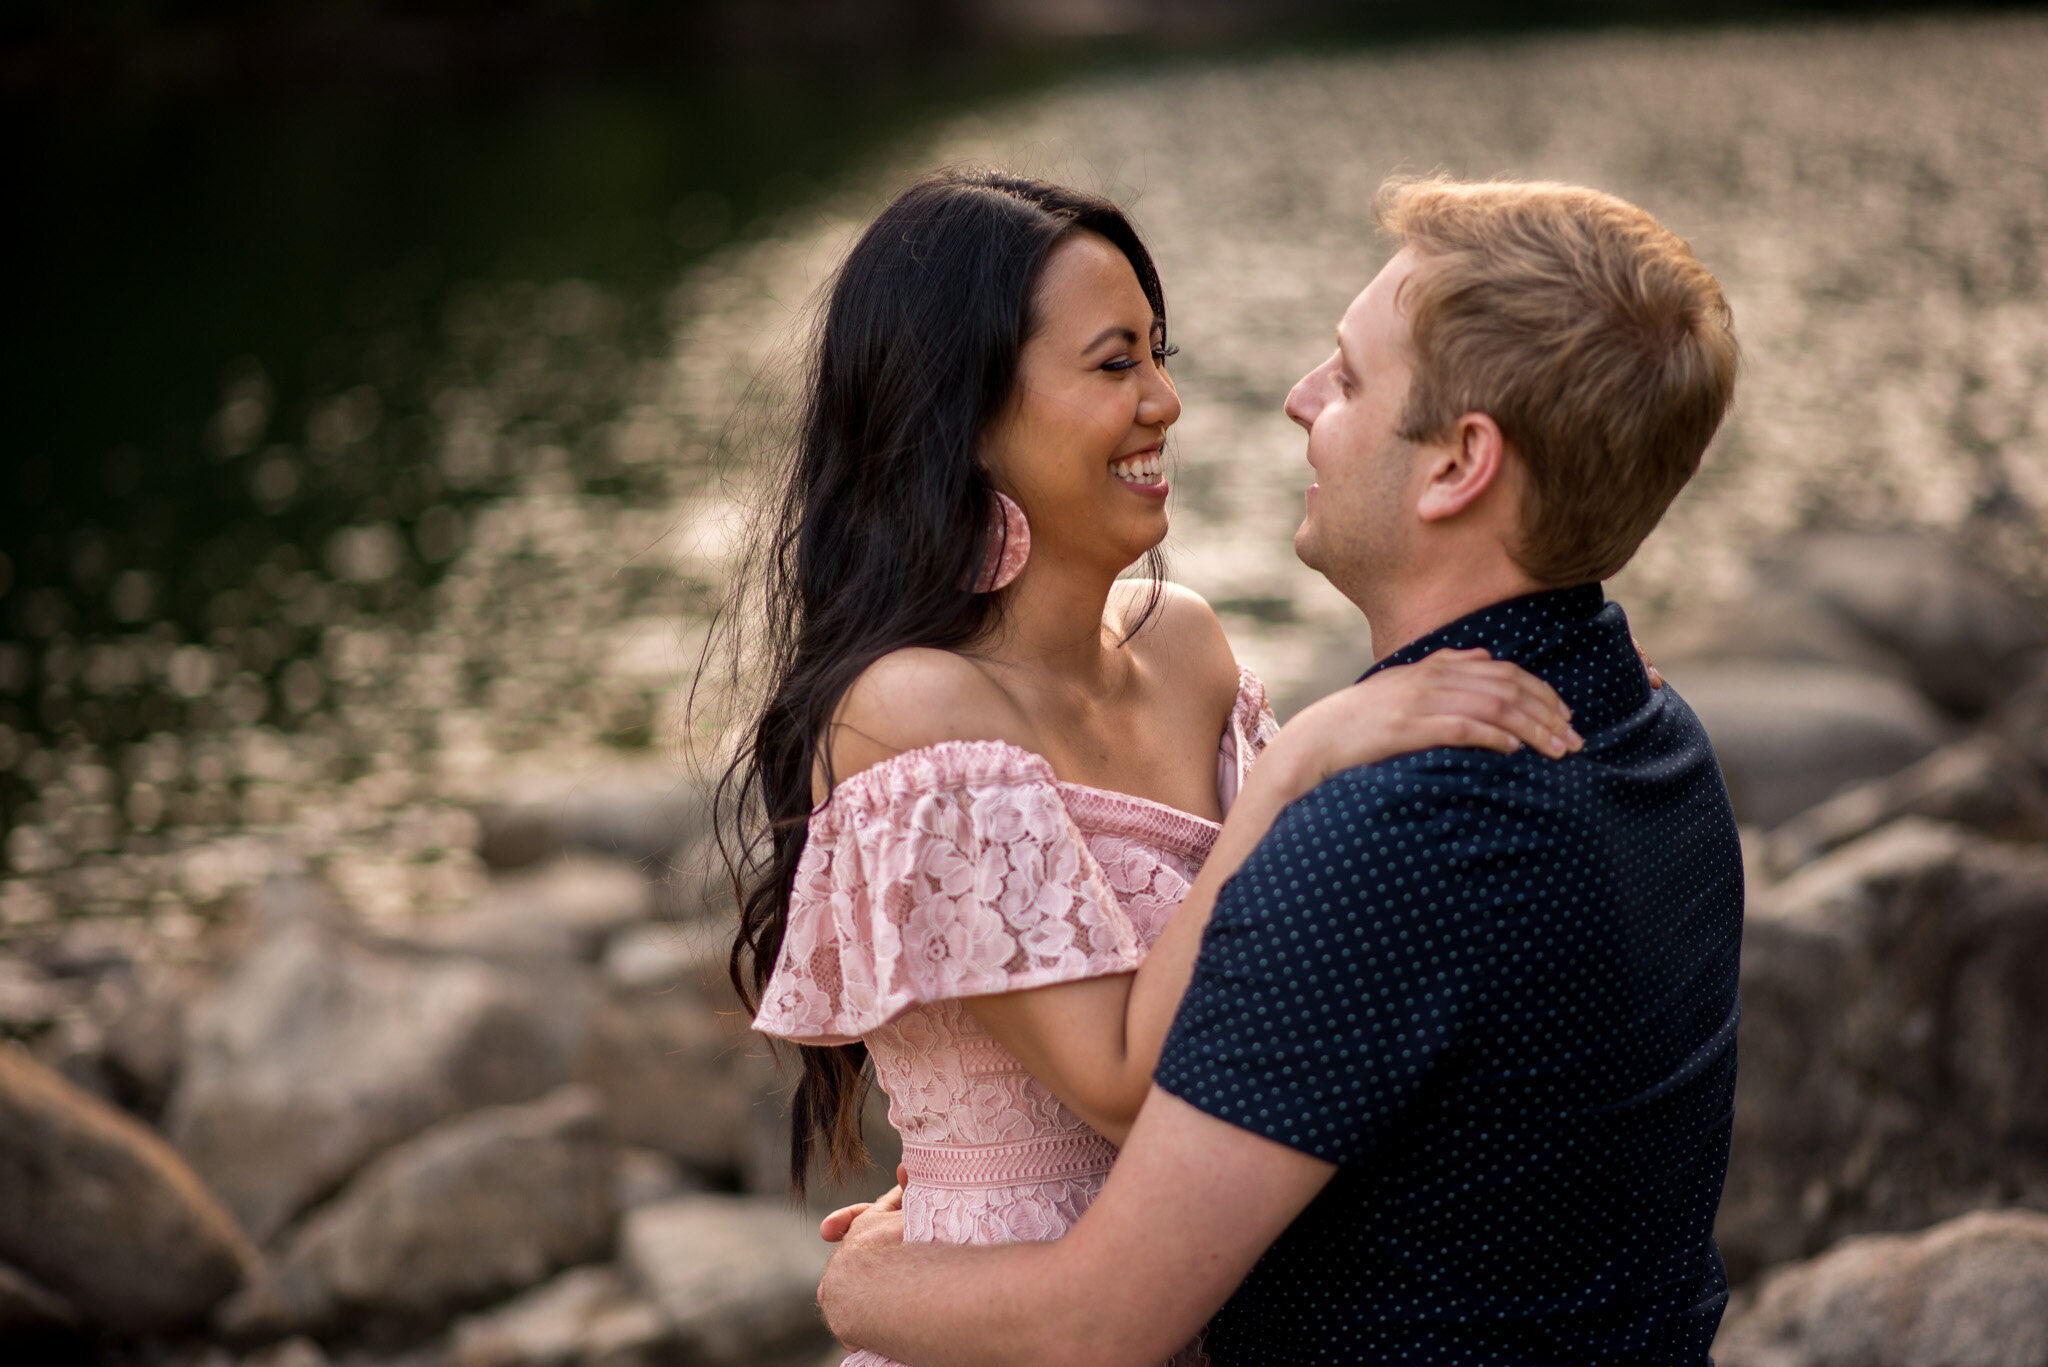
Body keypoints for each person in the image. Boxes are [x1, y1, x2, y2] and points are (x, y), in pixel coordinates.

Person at [816, 175, 1744, 1367]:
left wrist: (860, 1287)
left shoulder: (1382, 835)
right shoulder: (1658, 738)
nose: (1295, 400)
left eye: (1349, 377)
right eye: (1117, 361)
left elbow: (1100, 1315)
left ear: (1461, 462)